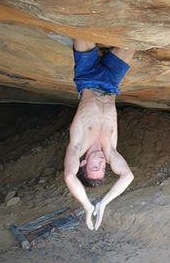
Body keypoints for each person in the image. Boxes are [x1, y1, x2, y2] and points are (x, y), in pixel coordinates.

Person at [64, 39, 136, 230]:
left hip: (87, 77)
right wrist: (103, 203)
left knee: (82, 33)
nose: (102, 164)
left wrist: (88, 206)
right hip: (112, 82)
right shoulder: (110, 151)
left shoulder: (78, 146)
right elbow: (128, 176)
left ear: (84, 163)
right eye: (103, 169)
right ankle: (107, 50)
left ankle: (100, 49)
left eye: (95, 166)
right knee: (132, 40)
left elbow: (70, 177)